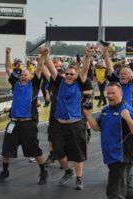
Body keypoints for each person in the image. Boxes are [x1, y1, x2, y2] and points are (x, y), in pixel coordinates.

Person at [0, 47, 48, 185]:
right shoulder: (16, 84)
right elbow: (8, 68)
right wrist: (7, 54)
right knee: (5, 150)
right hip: (13, 123)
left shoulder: (34, 84)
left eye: (26, 74)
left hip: (28, 123)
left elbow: (40, 67)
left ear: (31, 76)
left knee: (35, 150)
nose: (23, 76)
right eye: (22, 74)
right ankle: (5, 171)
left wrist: (43, 55)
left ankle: (43, 171)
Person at [43, 47, 92, 190]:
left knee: (77, 155)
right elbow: (52, 69)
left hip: (76, 124)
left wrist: (87, 57)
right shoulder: (59, 82)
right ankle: (67, 171)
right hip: (59, 124)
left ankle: (79, 178)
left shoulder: (79, 83)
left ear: (76, 76)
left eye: (72, 74)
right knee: (58, 152)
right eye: (67, 73)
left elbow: (84, 70)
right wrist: (45, 56)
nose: (69, 76)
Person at [84, 82, 133, 199]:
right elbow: (97, 128)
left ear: (121, 94)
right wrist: (88, 114)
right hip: (111, 155)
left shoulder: (127, 110)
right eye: (108, 93)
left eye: (113, 93)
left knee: (114, 192)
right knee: (126, 189)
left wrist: (128, 119)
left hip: (121, 157)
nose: (109, 96)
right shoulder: (106, 110)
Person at [105, 41, 133, 107]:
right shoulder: (117, 81)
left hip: (128, 114)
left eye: (125, 74)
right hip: (115, 112)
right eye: (121, 74)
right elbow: (109, 68)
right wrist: (105, 52)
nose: (122, 75)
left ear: (131, 76)